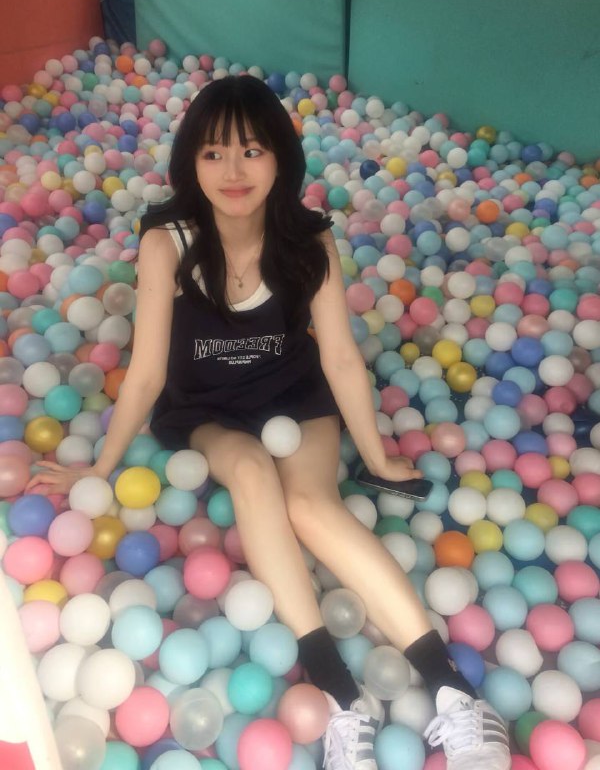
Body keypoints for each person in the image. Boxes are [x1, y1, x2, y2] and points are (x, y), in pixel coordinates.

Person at [28, 75, 510, 770]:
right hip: (206, 409)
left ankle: (454, 691)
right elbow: (148, 373)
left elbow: (339, 358)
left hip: (293, 394)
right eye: (213, 152)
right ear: (190, 162)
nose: (233, 170)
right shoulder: (169, 242)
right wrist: (100, 467)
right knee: (253, 473)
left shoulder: (309, 241)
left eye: (251, 150)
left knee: (311, 505)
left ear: (281, 158)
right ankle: (340, 696)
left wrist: (376, 457)